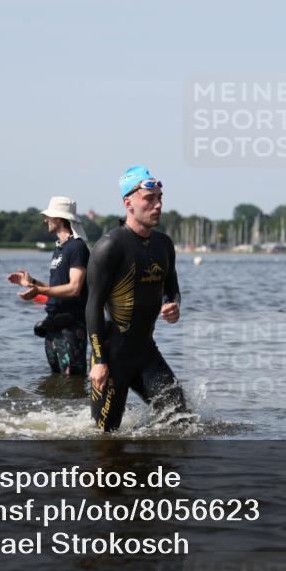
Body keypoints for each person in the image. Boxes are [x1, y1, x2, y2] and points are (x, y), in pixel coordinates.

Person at [85, 165, 187, 432]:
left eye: (160, 198)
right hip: (111, 356)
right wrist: (99, 361)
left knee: (183, 423)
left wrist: (173, 304)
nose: (158, 205)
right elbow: (93, 306)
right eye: (149, 199)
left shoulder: (164, 244)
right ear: (127, 203)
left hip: (146, 353)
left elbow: (172, 287)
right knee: (105, 438)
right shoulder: (110, 246)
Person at [8, 196, 90, 376]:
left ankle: (78, 406)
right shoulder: (59, 248)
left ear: (59, 219)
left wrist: (38, 291)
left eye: (49, 216)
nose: (45, 220)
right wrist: (32, 283)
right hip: (53, 324)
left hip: (72, 326)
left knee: (72, 380)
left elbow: (74, 288)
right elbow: (57, 288)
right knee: (55, 380)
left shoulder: (77, 247)